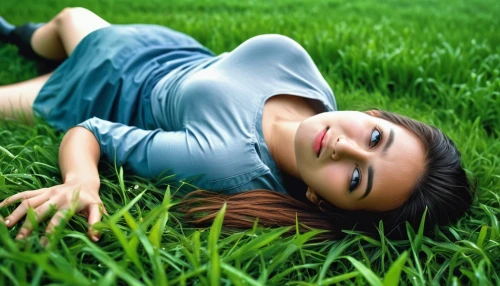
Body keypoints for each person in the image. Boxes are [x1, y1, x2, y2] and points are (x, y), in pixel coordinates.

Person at [0, 8, 473, 242]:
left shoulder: (224, 164)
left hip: (97, 88)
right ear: (375, 117)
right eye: (375, 138)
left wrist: (81, 180)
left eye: (355, 178)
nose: (344, 147)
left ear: (321, 199)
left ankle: (40, 65)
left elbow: (91, 131)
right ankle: (17, 38)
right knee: (66, 18)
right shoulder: (316, 91)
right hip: (150, 47)